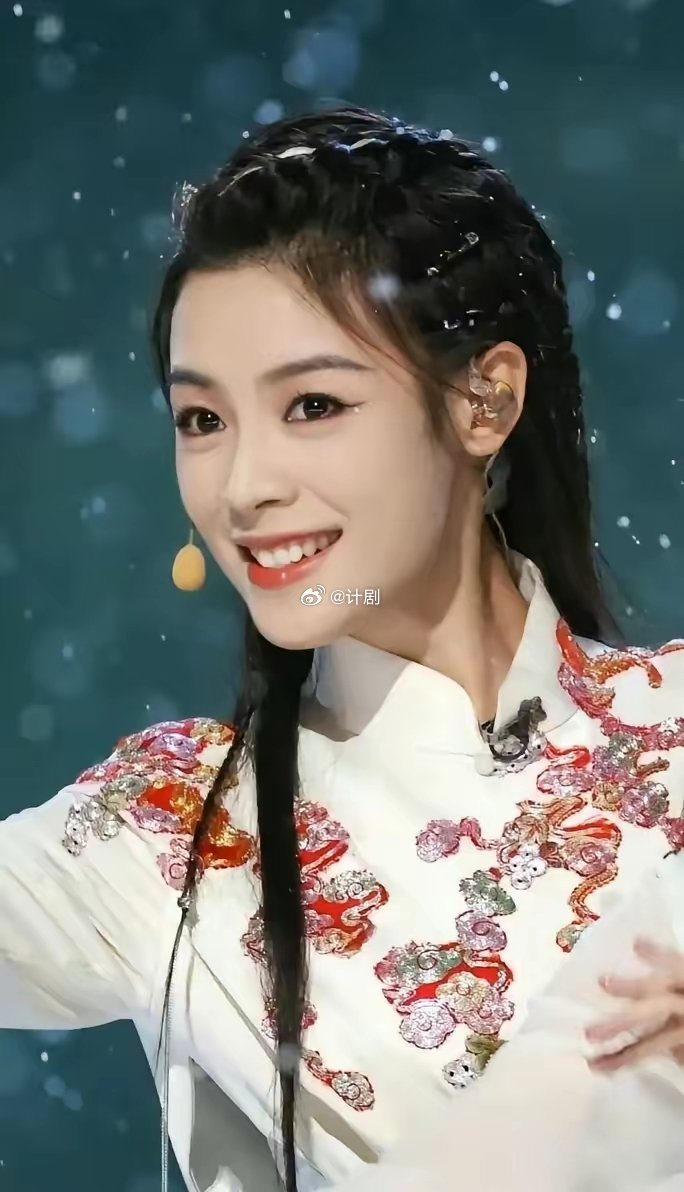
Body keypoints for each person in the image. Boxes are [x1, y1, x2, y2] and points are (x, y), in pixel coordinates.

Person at [2, 103, 684, 1192]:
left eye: (312, 404)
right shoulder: (171, 830)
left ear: (485, 399)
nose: (243, 487)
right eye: (202, 420)